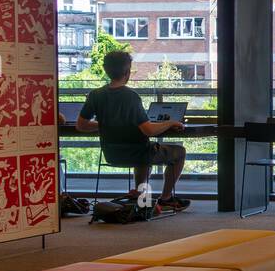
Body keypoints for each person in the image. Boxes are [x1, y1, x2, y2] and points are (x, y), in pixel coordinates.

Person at [74, 51, 190, 210]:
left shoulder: (96, 95)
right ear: (127, 72)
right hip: (139, 154)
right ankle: (166, 198)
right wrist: (170, 123)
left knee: (141, 151)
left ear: (106, 70)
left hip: (112, 154)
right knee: (179, 152)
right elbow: (148, 130)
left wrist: (107, 124)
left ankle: (141, 199)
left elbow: (81, 125)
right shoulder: (131, 96)